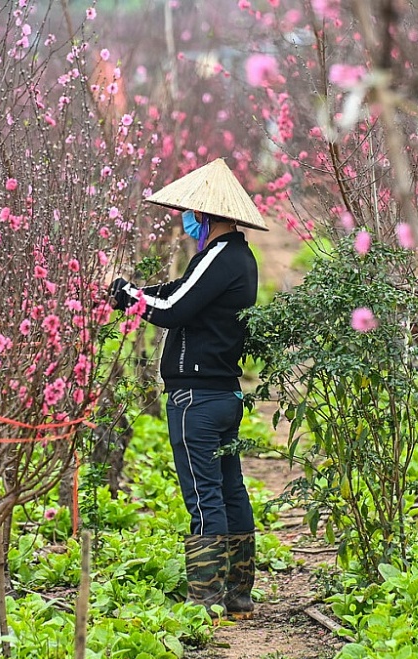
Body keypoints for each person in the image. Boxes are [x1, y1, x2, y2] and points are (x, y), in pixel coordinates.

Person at [110, 158, 268, 618]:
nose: (186, 220)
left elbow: (173, 308)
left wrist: (125, 295)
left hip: (196, 399)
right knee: (230, 490)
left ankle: (206, 600)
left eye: (190, 212)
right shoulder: (234, 258)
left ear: (205, 213)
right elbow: (179, 289)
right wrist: (135, 291)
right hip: (220, 395)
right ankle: (237, 596)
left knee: (205, 495)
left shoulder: (221, 257)